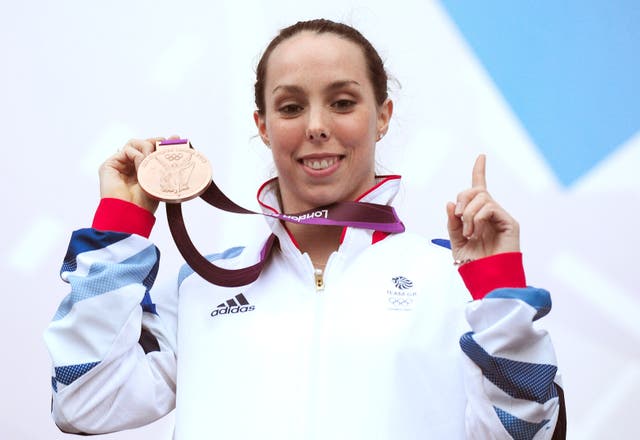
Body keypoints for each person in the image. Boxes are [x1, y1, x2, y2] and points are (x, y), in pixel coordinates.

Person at [44, 19, 566, 439]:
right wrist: (122, 222)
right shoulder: (203, 284)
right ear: (263, 126)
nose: (316, 125)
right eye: (291, 107)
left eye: (342, 102)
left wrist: (498, 288)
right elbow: (84, 401)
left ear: (382, 116)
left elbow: (526, 434)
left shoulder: (451, 280)